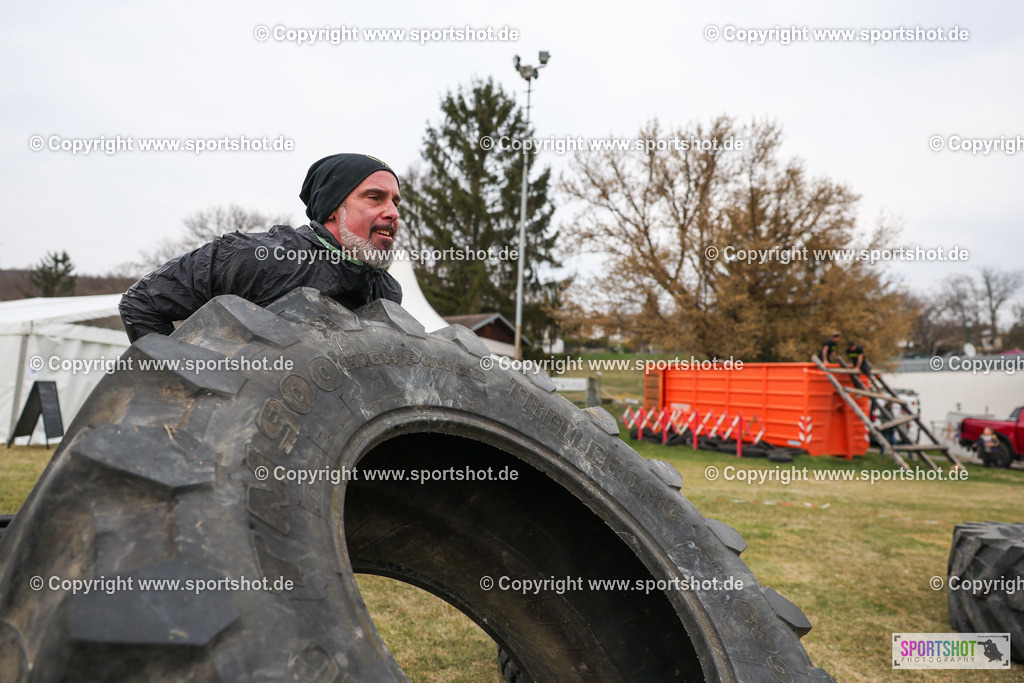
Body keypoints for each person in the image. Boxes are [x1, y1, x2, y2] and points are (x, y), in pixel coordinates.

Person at [119, 153, 403, 342]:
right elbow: (142, 303)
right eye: (375, 198)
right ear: (332, 209)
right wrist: (185, 388)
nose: (392, 213)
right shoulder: (255, 257)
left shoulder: (387, 291)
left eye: (395, 202)